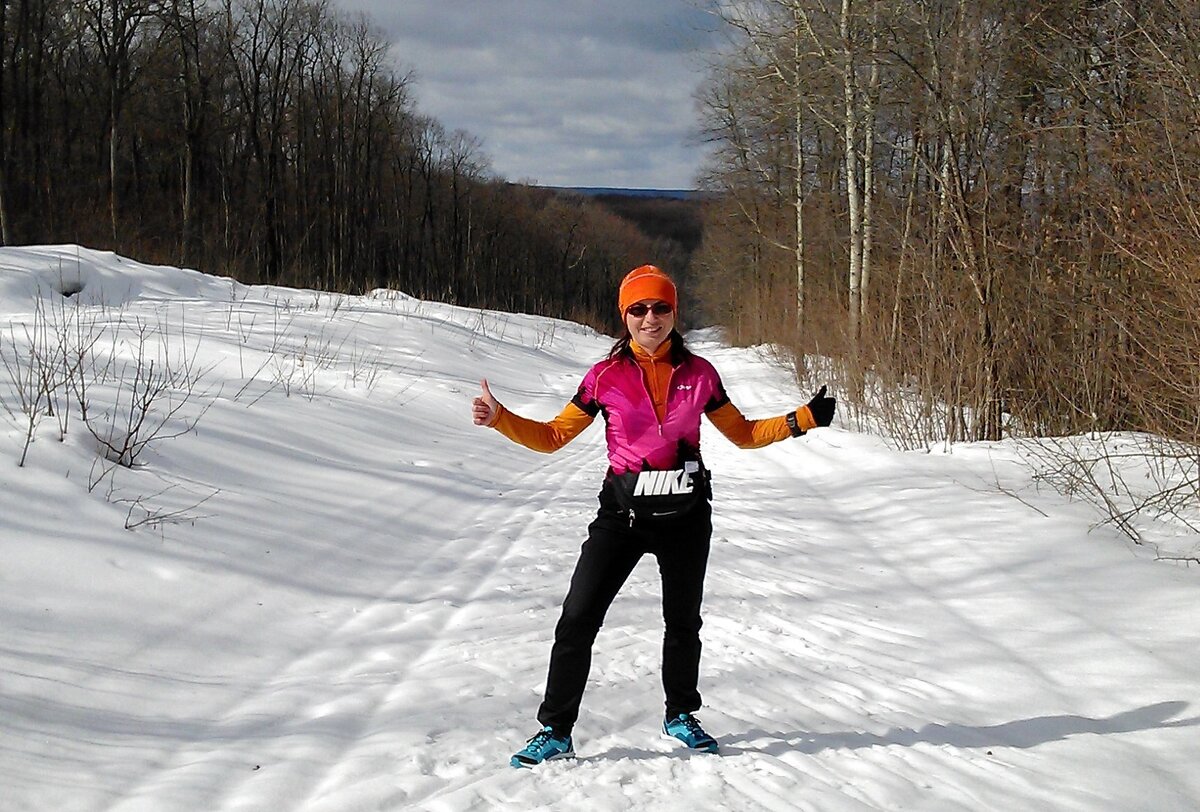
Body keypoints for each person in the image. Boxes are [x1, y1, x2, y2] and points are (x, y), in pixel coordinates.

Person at [471, 265, 835, 768]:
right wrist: (501, 419)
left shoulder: (701, 373)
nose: (650, 317)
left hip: (686, 517)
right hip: (621, 517)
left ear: (674, 312)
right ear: (625, 316)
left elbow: (745, 433)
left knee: (683, 622)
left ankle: (680, 714)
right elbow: (554, 436)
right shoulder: (604, 377)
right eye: (638, 308)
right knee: (577, 618)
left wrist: (803, 419)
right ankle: (555, 730)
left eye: (660, 307)